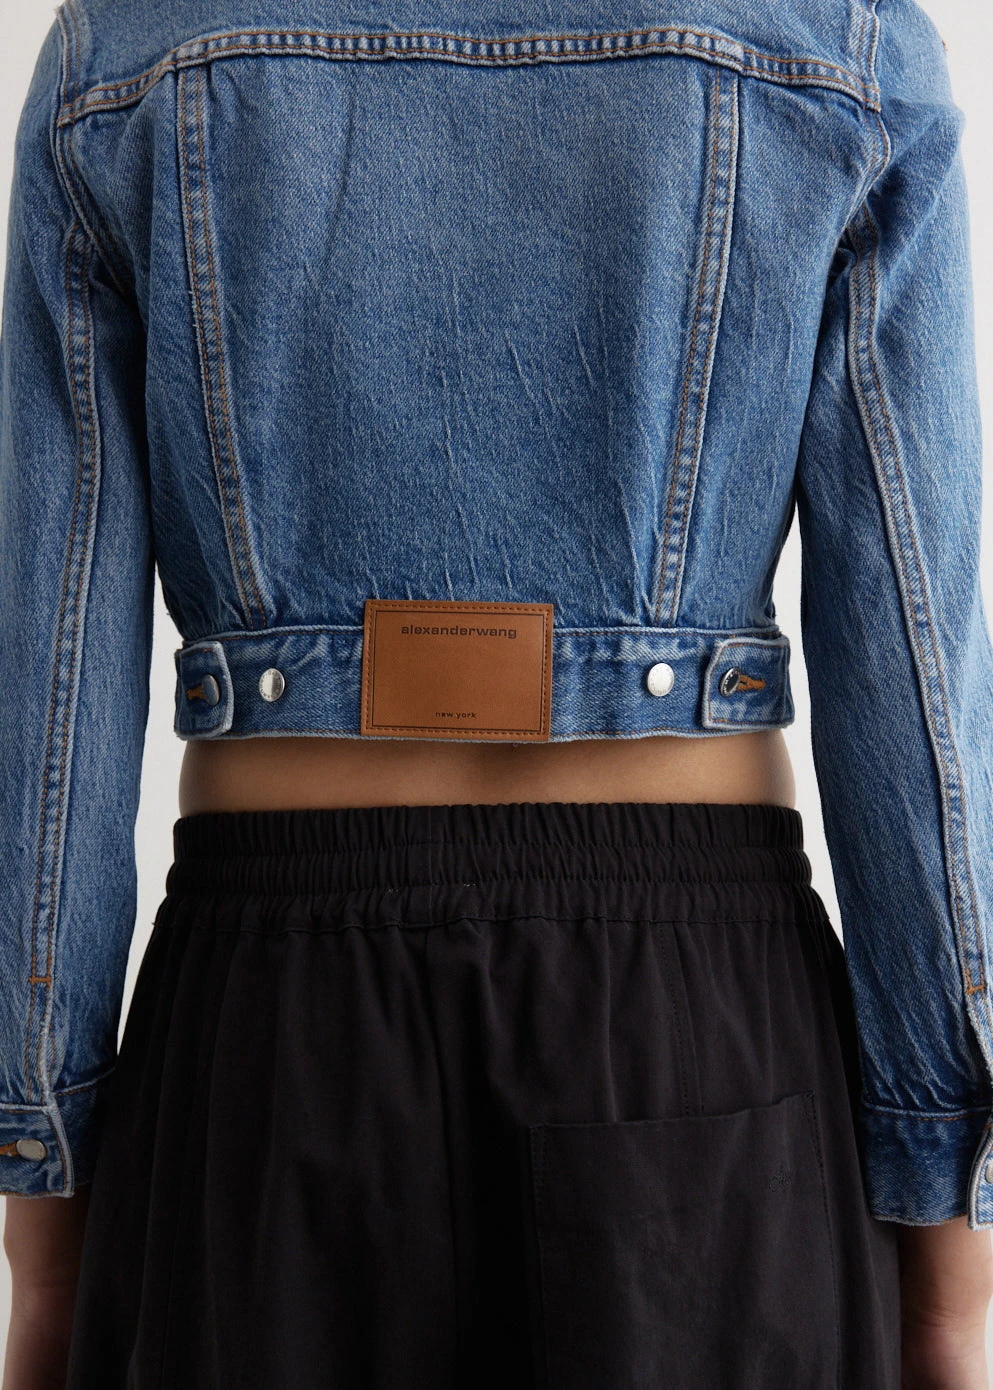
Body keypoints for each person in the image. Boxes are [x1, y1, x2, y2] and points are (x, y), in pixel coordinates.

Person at [2, 0, 993, 1385]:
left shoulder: (119, 47)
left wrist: (43, 1214)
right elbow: (917, 663)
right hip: (693, 1022)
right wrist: (952, 1248)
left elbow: (50, 674)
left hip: (269, 1028)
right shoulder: (842, 39)